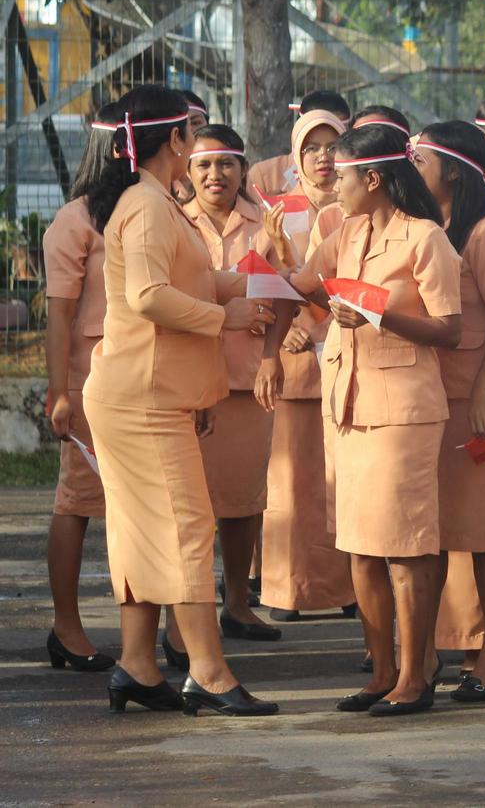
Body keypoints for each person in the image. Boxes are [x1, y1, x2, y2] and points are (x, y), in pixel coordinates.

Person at [80, 84, 279, 716]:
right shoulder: (145, 204)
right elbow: (148, 296)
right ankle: (209, 672)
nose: (202, 142)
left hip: (149, 391)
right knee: (189, 528)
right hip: (141, 397)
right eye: (194, 130)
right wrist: (227, 318)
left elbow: (197, 279)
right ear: (175, 140)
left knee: (147, 531)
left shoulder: (160, 202)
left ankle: (138, 666)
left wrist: (271, 281)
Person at [279, 123, 463, 716]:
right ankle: (382, 670)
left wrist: (379, 315)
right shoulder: (344, 233)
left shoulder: (424, 238)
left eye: (344, 176)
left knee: (405, 548)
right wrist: (264, 267)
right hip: (349, 405)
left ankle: (416, 675)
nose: (333, 186)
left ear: (374, 179)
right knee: (360, 547)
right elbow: (305, 288)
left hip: (402, 410)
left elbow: (450, 330)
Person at [408, 120, 485, 702]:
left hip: (482, 398)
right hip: (436, 397)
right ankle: (429, 652)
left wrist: (481, 390)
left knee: (483, 528)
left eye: (420, 161)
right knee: (439, 530)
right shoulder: (434, 229)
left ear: (452, 170)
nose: (412, 172)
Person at [181, 125, 294, 643]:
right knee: (192, 501)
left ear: (242, 169)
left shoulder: (266, 225)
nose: (214, 175)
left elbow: (284, 295)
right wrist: (228, 311)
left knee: (245, 497)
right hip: (189, 377)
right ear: (187, 170)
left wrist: (272, 356)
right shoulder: (174, 223)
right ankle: (193, 607)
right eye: (203, 164)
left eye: (225, 163)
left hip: (248, 375)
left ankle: (237, 603)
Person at [257, 110, 356, 623]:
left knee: (339, 483)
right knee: (292, 488)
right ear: (296, 155)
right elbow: (260, 280)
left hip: (347, 363)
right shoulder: (279, 211)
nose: (322, 156)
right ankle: (286, 589)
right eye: (311, 147)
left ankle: (345, 587)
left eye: (331, 145)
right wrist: (283, 326)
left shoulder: (360, 207)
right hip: (295, 363)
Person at [40, 104, 123, 674]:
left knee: (134, 507)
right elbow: (58, 316)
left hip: (140, 379)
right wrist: (59, 391)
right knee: (77, 502)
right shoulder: (75, 220)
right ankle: (66, 627)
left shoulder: (147, 208)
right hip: (89, 381)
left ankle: (148, 636)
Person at [248, 89, 351, 197]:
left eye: (333, 147)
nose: (323, 157)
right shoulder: (263, 175)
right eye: (312, 148)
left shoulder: (358, 178)